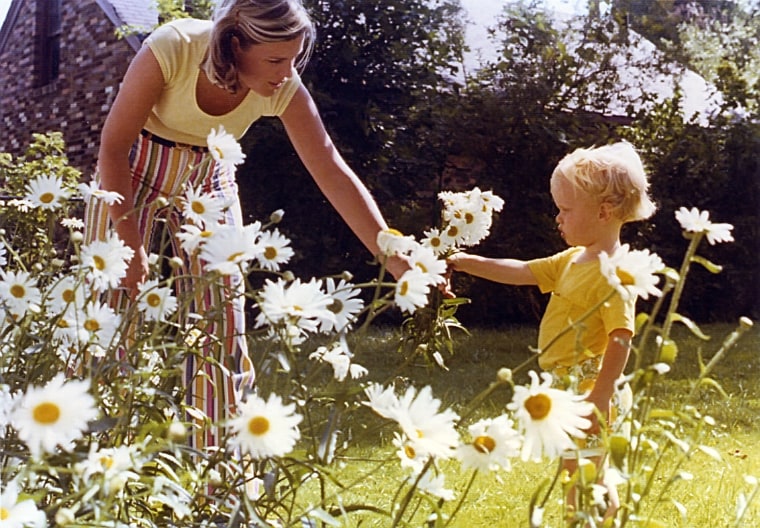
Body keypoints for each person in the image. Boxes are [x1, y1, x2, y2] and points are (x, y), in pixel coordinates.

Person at [83, 0, 406, 451]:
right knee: (110, 314)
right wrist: (131, 247)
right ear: (234, 44)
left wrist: (393, 255)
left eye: (294, 58)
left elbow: (331, 169)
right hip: (132, 163)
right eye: (275, 59)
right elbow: (113, 147)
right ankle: (96, 465)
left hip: (208, 175)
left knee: (222, 326)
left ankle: (221, 492)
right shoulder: (173, 47)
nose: (286, 72)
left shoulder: (282, 86)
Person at [446, 141, 656, 517]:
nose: (557, 218)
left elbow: (621, 337)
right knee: (581, 469)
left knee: (582, 473)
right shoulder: (573, 259)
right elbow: (524, 271)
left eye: (565, 210)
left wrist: (601, 394)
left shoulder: (614, 274)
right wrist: (467, 262)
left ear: (604, 211)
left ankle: (589, 520)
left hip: (589, 388)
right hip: (565, 385)